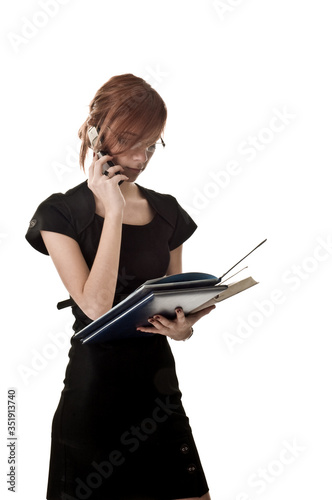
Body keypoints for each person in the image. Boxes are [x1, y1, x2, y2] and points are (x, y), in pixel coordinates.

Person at [26, 73, 215, 500]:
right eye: (130, 140)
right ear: (95, 133)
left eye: (151, 144)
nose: (141, 156)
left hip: (159, 390)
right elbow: (95, 306)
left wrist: (184, 327)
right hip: (94, 398)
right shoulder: (60, 214)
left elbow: (169, 300)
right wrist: (111, 210)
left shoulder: (168, 213)